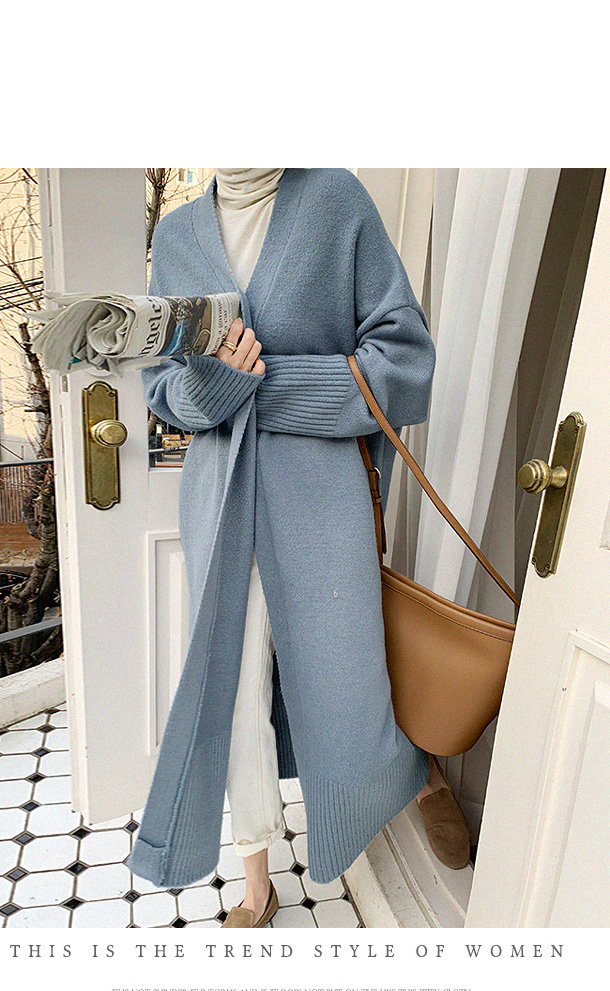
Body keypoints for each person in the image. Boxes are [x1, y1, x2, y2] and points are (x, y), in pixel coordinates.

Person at [131, 168, 470, 927]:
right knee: (235, 685)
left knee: (345, 668)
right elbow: (162, 391)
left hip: (321, 498)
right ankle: (256, 877)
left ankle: (411, 772)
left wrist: (265, 385)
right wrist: (214, 389)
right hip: (220, 502)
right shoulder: (178, 235)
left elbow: (404, 363)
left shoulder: (335, 200)